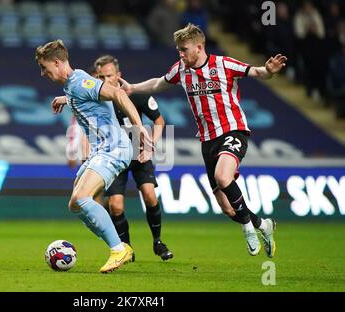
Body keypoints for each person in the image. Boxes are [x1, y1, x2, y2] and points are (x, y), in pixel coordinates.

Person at [120, 23, 286, 258]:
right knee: (227, 208)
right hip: (207, 141)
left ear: (199, 47)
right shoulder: (181, 69)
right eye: (178, 49)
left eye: (184, 49)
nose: (181, 54)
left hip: (233, 131)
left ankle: (248, 228)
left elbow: (258, 72)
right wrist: (132, 88)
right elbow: (159, 83)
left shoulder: (223, 64)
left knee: (222, 176)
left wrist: (269, 69)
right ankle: (263, 225)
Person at [36, 39, 152, 273]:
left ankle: (119, 248)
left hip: (114, 148)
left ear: (57, 63)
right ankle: (118, 244)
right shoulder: (72, 85)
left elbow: (117, 94)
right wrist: (65, 100)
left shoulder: (80, 81)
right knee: (75, 205)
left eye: (45, 68)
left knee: (82, 198)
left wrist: (138, 126)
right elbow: (84, 97)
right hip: (102, 150)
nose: (42, 73)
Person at [94, 55, 173, 261]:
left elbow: (159, 120)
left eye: (109, 76)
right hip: (114, 156)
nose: (105, 81)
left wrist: (151, 144)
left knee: (150, 195)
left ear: (119, 75)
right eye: (100, 76)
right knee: (116, 206)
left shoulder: (134, 94)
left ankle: (158, 242)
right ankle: (126, 248)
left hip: (139, 155)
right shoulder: (98, 99)